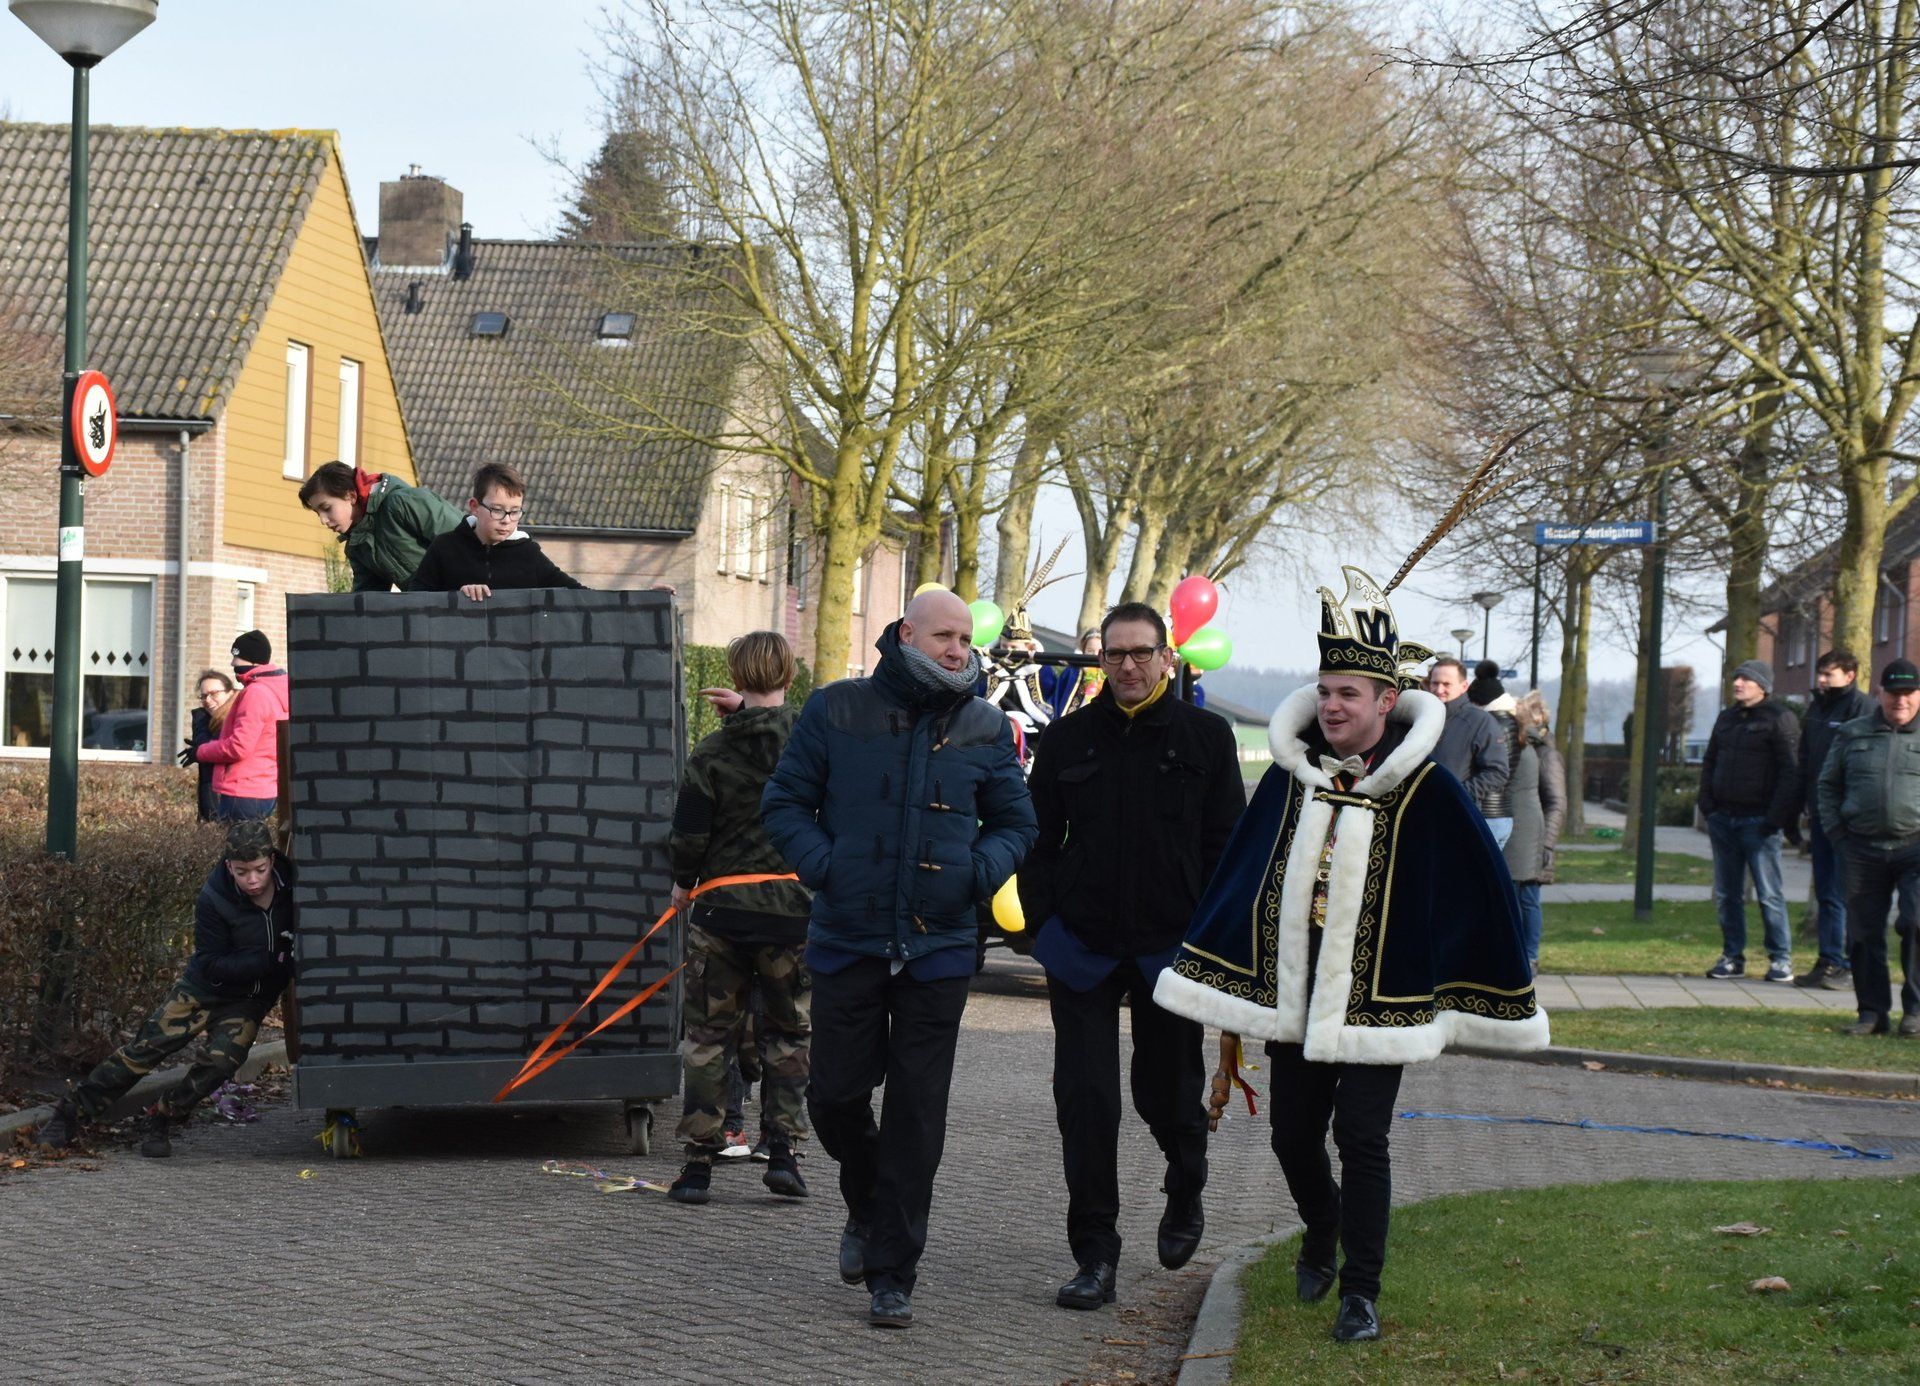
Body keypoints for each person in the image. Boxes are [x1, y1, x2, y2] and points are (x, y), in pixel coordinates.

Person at [1154, 566, 1546, 1344]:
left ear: (1385, 703)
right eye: (1326, 692)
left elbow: (1473, 887)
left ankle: (1360, 1292)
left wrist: (1459, 981)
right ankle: (1322, 1224)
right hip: (1299, 995)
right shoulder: (1291, 781)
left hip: (1381, 1000)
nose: (1332, 706)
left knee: (1363, 1137)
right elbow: (1245, 875)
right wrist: (1227, 969)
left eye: (1349, 695)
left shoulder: (1425, 788)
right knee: (1292, 1137)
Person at [762, 588, 1036, 1330]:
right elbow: (783, 802)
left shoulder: (985, 726)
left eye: (966, 640)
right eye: (945, 636)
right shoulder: (837, 708)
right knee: (833, 1098)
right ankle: (868, 1205)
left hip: (939, 946)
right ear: (907, 633)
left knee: (917, 1115)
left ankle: (893, 1272)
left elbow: (1017, 823)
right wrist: (827, 866)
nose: (958, 650)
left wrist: (976, 875)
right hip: (848, 938)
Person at [1019, 601, 1245, 1311]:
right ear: (1101, 659)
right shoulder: (1067, 739)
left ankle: (1186, 1174)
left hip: (1169, 948)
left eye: (1141, 652)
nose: (1127, 665)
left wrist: (1212, 939)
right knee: (1086, 1104)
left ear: (1166, 657)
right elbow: (1035, 839)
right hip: (1080, 946)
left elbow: (1227, 846)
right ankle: (1095, 1254)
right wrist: (1042, 925)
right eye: (1114, 653)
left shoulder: (1206, 737)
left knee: (1165, 1093)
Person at [35, 820, 296, 1158]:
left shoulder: (293, 886)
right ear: (228, 866)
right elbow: (212, 963)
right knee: (147, 1048)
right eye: (242, 872)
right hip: (203, 989)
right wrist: (271, 961)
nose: (253, 880)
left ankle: (162, 1115)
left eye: (260, 870)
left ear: (272, 860)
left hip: (249, 1000)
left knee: (222, 1063)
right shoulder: (214, 897)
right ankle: (72, 1112)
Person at [664, 631, 814, 1206]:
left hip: (721, 913)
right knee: (789, 1034)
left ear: (734, 675)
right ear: (790, 674)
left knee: (708, 1038)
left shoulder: (711, 752)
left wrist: (683, 883)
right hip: (790, 914)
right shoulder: (812, 746)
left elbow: (689, 832)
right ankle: (783, 1154)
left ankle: (698, 1166)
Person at [1815, 657, 1920, 1038]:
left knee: (1916, 923)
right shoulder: (1853, 732)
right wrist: (1838, 835)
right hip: (1861, 848)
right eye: (1893, 693)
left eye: (1908, 693)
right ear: (1879, 693)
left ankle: (1915, 1011)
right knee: (1863, 934)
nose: (1900, 701)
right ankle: (1872, 1012)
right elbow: (1828, 785)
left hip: (1915, 848)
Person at [1699, 658, 1802, 982]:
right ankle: (1732, 957)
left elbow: (1790, 772)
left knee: (1769, 893)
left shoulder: (1780, 719)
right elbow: (1710, 761)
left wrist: (1774, 819)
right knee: (1727, 894)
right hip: (1723, 819)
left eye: (1745, 679)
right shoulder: (1726, 718)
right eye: (1736, 678)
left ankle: (1781, 959)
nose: (1737, 683)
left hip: (1759, 822)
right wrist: (1708, 806)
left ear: (1763, 686)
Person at [1799, 649, 1873, 991]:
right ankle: (1828, 959)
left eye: (1829, 673)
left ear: (1850, 675)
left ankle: (1847, 963)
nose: (1821, 679)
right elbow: (1806, 759)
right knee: (1827, 891)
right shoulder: (1817, 709)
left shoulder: (1862, 709)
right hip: (1821, 814)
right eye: (1820, 673)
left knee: (1846, 893)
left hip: (1847, 819)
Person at [406, 462, 585, 599]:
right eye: (497, 510)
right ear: (475, 507)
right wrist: (457, 597)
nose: (507, 520)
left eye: (515, 511)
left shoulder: (529, 554)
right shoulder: (444, 547)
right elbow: (416, 600)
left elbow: (580, 595)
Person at [298, 460, 465, 592]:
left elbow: (465, 541)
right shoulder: (358, 547)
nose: (323, 520)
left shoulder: (403, 503)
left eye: (327, 508)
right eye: (317, 513)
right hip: (437, 614)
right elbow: (368, 602)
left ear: (351, 496)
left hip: (472, 599)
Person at [179, 631, 289, 822]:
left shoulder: (256, 693)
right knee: (253, 841)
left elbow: (239, 747)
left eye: (236, 657)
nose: (232, 663)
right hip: (262, 787)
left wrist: (200, 752)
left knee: (240, 842)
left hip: (244, 790)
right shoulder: (275, 689)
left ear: (252, 660)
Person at [1504, 691, 1567, 975]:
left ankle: (1530, 956)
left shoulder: (1546, 754)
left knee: (1528, 899)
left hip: (1535, 838)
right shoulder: (1523, 748)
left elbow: (1556, 803)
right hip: (1523, 835)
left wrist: (1546, 844)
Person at [1425, 656, 1511, 844]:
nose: (1439, 689)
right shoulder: (1419, 717)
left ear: (1464, 686)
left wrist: (1458, 794)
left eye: (1446, 684)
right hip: (1421, 818)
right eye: (1435, 683)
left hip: (1458, 819)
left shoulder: (1481, 721)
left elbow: (1498, 771)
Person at [1466, 661, 1523, 848]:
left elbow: (1494, 773)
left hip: (1486, 814)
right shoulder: (1512, 722)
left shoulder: (1490, 725)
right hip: (1503, 813)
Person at [188, 669, 236, 823]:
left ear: (230, 693)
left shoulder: (235, 720)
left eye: (214, 693)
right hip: (212, 803)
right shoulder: (208, 720)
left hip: (231, 802)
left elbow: (213, 750)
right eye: (203, 696)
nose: (208, 700)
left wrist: (199, 749)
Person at [1040, 629, 1104, 721]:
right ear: (1083, 651)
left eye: (1100, 651)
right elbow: (1058, 697)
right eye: (1090, 651)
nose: (1095, 655)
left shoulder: (1110, 677)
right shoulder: (1072, 672)